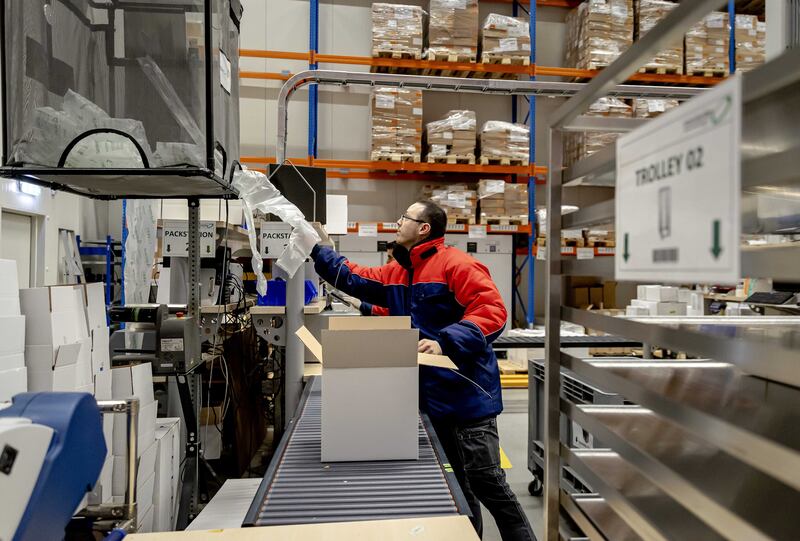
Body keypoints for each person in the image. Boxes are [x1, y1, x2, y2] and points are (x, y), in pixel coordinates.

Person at [311, 200, 536, 541]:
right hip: (433, 401)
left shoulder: (456, 264)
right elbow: (355, 278)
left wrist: (445, 342)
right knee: (457, 486)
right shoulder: (400, 271)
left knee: (488, 483)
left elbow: (493, 310)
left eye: (404, 218)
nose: (397, 222)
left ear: (424, 228)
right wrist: (317, 248)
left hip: (467, 396)